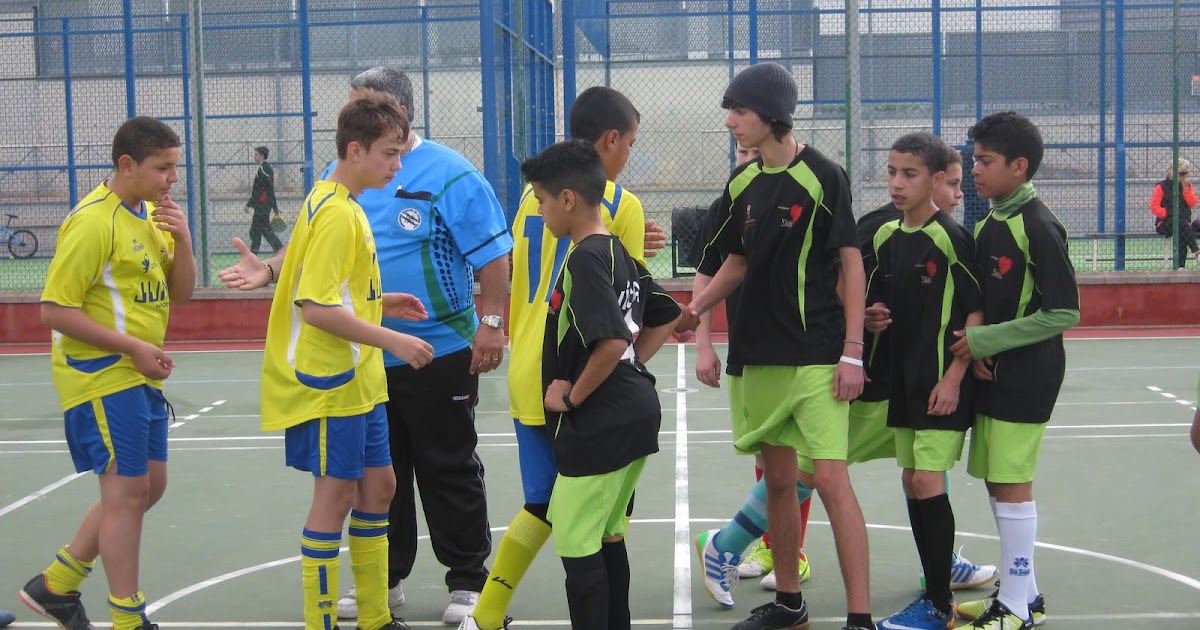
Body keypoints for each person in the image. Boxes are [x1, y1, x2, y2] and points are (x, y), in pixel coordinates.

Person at [460, 85, 676, 630]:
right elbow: (632, 309)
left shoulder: (535, 197)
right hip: (578, 378)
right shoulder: (617, 205)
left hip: (528, 366)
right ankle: (501, 613)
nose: (629, 152)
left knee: (544, 502)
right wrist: (632, 366)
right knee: (598, 519)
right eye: (629, 142)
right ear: (610, 141)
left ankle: (487, 612)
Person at [688, 62, 873, 630]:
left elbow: (850, 261)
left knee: (833, 480)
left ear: (771, 115)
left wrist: (852, 349)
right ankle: (790, 605)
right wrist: (692, 318)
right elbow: (730, 263)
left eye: (738, 111)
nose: (729, 122)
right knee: (779, 484)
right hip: (757, 358)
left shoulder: (823, 175)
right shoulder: (742, 183)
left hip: (816, 355)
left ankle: (860, 617)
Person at [260, 92, 429, 630]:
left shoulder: (341, 200)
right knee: (334, 498)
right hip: (331, 382)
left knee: (380, 487)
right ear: (355, 150)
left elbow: (337, 291)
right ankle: (322, 620)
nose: (398, 164)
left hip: (359, 380)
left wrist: (385, 302)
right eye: (389, 153)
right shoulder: (334, 213)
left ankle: (376, 616)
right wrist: (391, 338)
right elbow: (315, 309)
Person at [19, 116, 195, 630]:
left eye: (174, 167)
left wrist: (183, 240)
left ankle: (56, 583)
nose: (171, 179)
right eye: (163, 168)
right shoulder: (93, 221)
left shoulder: (148, 216)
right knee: (125, 497)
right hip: (100, 375)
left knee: (149, 488)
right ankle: (127, 618)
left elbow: (180, 293)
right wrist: (133, 346)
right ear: (127, 164)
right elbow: (54, 309)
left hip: (138, 376)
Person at [526, 138, 682, 630]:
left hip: (601, 423)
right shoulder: (617, 252)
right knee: (608, 533)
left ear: (567, 199)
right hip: (633, 413)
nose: (538, 207)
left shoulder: (584, 260)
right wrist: (632, 368)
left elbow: (612, 341)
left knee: (575, 540)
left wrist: (572, 395)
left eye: (541, 197)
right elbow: (667, 314)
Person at [949, 111, 1079, 630]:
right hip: (994, 373)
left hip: (1029, 374)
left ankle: (1019, 610)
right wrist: (981, 347)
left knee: (1012, 484)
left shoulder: (1040, 226)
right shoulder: (990, 221)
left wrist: (984, 339)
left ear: (1019, 167)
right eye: (973, 158)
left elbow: (1064, 312)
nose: (974, 169)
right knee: (998, 484)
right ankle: (1026, 592)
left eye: (985, 160)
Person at [869, 132, 984, 630]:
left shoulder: (951, 237)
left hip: (942, 383)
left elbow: (978, 310)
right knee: (911, 481)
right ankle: (934, 583)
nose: (896, 183)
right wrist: (871, 319)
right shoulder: (885, 238)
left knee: (925, 480)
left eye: (909, 174)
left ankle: (939, 604)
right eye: (892, 172)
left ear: (937, 180)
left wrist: (956, 376)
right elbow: (877, 306)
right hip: (905, 380)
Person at [1149, 157, 1200, 269]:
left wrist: (1186, 189)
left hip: (1183, 223)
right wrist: (1167, 213)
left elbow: (1192, 203)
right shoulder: (1161, 186)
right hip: (1165, 223)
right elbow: (1154, 206)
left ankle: (1180, 266)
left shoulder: (1186, 185)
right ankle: (1196, 252)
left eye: (1186, 173)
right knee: (1182, 225)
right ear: (1173, 173)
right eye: (1182, 174)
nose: (1185, 176)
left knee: (1182, 228)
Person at [244, 145, 284, 255]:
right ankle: (254, 254)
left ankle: (280, 250)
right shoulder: (267, 169)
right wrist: (274, 206)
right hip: (264, 205)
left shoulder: (263, 170)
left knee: (264, 230)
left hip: (262, 205)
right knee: (256, 230)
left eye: (256, 154)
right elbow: (270, 190)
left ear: (262, 156)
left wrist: (249, 204)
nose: (254, 157)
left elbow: (258, 190)